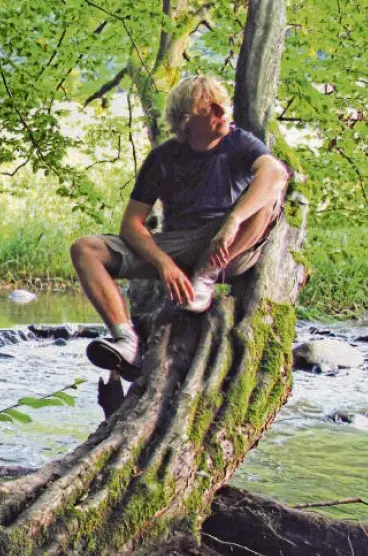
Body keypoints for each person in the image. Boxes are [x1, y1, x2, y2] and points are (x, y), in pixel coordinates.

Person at [71, 76, 289, 380]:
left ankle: (206, 277)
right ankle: (126, 340)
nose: (221, 111)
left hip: (229, 246)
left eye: (222, 104)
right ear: (187, 119)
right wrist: (164, 264)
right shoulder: (163, 157)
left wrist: (232, 221)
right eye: (210, 107)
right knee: (85, 249)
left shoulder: (239, 142)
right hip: (178, 244)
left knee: (268, 199)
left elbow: (276, 172)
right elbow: (131, 223)